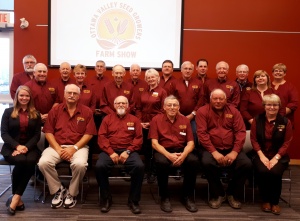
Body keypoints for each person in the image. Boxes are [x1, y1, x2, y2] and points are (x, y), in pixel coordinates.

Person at [38, 84, 97, 209]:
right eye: (69, 93)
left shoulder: (87, 112)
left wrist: (74, 148)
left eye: (75, 93)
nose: (71, 95)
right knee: (43, 162)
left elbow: (89, 134)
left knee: (80, 165)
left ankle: (71, 192)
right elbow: (48, 132)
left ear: (79, 95)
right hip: (56, 146)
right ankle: (58, 189)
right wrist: (59, 149)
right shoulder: (55, 110)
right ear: (64, 94)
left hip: (78, 147)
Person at [196, 89, 252, 209]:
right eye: (215, 98)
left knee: (246, 164)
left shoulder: (234, 111)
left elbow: (240, 132)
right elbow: (202, 134)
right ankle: (219, 194)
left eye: (221, 99)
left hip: (231, 148)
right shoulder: (202, 111)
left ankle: (232, 193)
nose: (218, 101)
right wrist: (214, 152)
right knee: (206, 162)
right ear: (211, 99)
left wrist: (234, 152)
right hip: (210, 148)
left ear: (226, 100)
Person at [149, 95, 199, 213]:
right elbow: (154, 144)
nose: (172, 107)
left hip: (182, 150)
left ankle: (187, 196)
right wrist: (169, 155)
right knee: (161, 162)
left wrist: (183, 155)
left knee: (193, 161)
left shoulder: (185, 120)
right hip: (163, 150)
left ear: (179, 107)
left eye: (175, 105)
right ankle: (164, 196)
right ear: (164, 107)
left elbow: (191, 143)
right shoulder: (156, 120)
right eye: (169, 105)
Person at [95, 96, 144, 214]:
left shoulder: (135, 120)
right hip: (109, 150)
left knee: (139, 167)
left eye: (123, 103)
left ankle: (133, 200)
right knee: (99, 166)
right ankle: (106, 198)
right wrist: (111, 152)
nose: (121, 105)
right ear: (114, 105)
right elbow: (102, 137)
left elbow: (138, 138)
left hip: (129, 151)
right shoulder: (107, 119)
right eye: (118, 103)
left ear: (128, 106)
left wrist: (128, 151)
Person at [1, 85, 41, 215]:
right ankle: (17, 199)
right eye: (21, 95)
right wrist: (17, 146)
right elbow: (4, 134)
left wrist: (26, 147)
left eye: (27, 96)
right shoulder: (8, 112)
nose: (24, 98)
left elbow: (36, 135)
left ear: (30, 98)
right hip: (11, 148)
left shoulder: (36, 114)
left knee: (29, 161)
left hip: (31, 147)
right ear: (17, 96)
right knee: (21, 160)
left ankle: (15, 197)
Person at [250, 94, 293, 215]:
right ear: (264, 106)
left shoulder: (285, 122)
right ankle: (265, 200)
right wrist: (262, 156)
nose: (272, 107)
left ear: (279, 106)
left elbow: (287, 142)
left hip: (279, 155)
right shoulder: (257, 120)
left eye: (275, 105)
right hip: (260, 154)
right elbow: (254, 140)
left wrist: (276, 158)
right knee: (263, 171)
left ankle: (275, 202)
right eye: (269, 104)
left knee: (274, 172)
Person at [138, 68, 167, 183]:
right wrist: (140, 122)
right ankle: (146, 171)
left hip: (156, 124)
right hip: (143, 125)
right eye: (148, 77)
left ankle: (154, 172)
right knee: (146, 149)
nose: (151, 79)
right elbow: (139, 108)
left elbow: (163, 110)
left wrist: (151, 123)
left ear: (157, 78)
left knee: (154, 149)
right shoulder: (144, 91)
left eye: (153, 77)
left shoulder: (162, 92)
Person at [171, 61, 204, 144]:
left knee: (194, 134)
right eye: (185, 68)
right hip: (176, 115)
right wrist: (177, 112)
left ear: (193, 70)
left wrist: (193, 114)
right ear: (181, 70)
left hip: (193, 117)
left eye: (190, 69)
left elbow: (201, 99)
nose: (187, 71)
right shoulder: (175, 83)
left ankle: (193, 154)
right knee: (177, 134)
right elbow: (171, 99)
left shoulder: (198, 83)